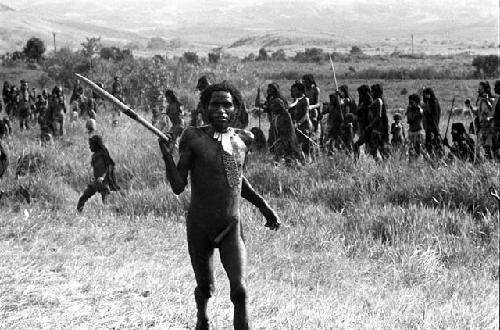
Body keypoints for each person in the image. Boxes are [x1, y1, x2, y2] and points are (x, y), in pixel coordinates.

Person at [157, 81, 280, 330]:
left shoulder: (243, 140)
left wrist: (264, 207)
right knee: (206, 288)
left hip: (230, 226)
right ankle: (202, 318)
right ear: (204, 108)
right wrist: (167, 156)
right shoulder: (193, 137)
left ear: (236, 109)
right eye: (215, 104)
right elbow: (179, 186)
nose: (221, 110)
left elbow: (236, 180)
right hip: (200, 227)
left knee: (240, 292)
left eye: (227, 104)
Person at [77, 135, 120, 212]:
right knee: (82, 199)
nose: (89, 147)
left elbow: (109, 166)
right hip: (96, 182)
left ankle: (117, 211)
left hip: (104, 183)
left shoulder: (103, 154)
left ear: (96, 145)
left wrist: (102, 177)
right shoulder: (95, 155)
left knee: (106, 204)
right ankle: (78, 215)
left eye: (91, 145)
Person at [289, 81, 313, 161]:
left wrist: (299, 123)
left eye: (295, 91)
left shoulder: (305, 100)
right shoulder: (296, 101)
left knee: (305, 146)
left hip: (304, 125)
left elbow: (306, 114)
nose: (293, 93)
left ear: (300, 91)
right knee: (296, 145)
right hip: (296, 126)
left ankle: (307, 161)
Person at [422, 87, 442, 158]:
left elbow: (432, 114)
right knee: (428, 145)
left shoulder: (433, 102)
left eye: (426, 94)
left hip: (433, 127)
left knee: (434, 145)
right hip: (428, 128)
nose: (425, 96)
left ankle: (436, 159)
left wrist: (426, 104)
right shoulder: (428, 102)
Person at [406, 94, 425, 161]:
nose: (410, 103)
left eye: (412, 102)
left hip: (418, 132)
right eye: (409, 102)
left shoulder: (420, 110)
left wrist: (417, 108)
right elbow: (409, 120)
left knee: (419, 150)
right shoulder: (409, 109)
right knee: (410, 151)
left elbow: (421, 115)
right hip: (411, 132)